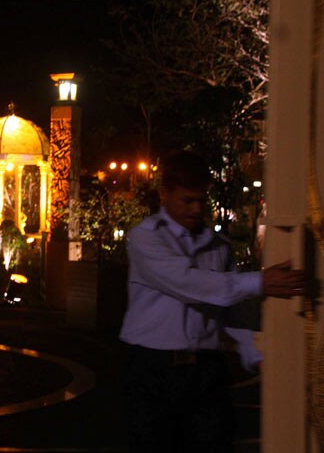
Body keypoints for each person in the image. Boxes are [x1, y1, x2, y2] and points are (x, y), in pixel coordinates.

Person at [119, 150, 307, 453]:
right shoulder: (146, 238)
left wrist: (251, 351)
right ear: (164, 194)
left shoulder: (217, 246)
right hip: (152, 365)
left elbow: (231, 308)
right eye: (187, 200)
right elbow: (188, 282)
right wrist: (260, 281)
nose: (196, 208)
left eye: (201, 200)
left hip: (205, 367)